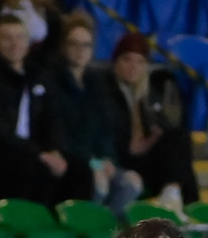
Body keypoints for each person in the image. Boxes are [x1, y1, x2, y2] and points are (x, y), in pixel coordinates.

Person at [46, 13, 140, 210]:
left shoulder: (96, 83)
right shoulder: (52, 82)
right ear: (64, 46)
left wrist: (107, 159)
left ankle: (110, 226)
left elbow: (104, 129)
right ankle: (89, 224)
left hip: (96, 159)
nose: (81, 51)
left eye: (86, 45)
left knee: (132, 182)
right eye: (74, 44)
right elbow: (59, 133)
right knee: (97, 182)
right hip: (73, 160)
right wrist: (92, 162)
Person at [103, 32, 197, 212]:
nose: (133, 67)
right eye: (127, 60)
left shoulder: (148, 94)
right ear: (116, 62)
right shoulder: (105, 92)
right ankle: (180, 204)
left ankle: (175, 196)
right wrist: (133, 147)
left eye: (140, 62)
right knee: (177, 163)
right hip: (119, 160)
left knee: (177, 138)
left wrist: (151, 140)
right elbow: (108, 135)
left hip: (142, 160)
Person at [0, 12, 68, 205]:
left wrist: (55, 150)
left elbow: (53, 118)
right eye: (7, 38)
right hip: (2, 151)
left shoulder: (39, 76)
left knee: (79, 172)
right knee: (30, 169)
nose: (15, 44)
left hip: (36, 150)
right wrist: (38, 153)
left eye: (20, 37)